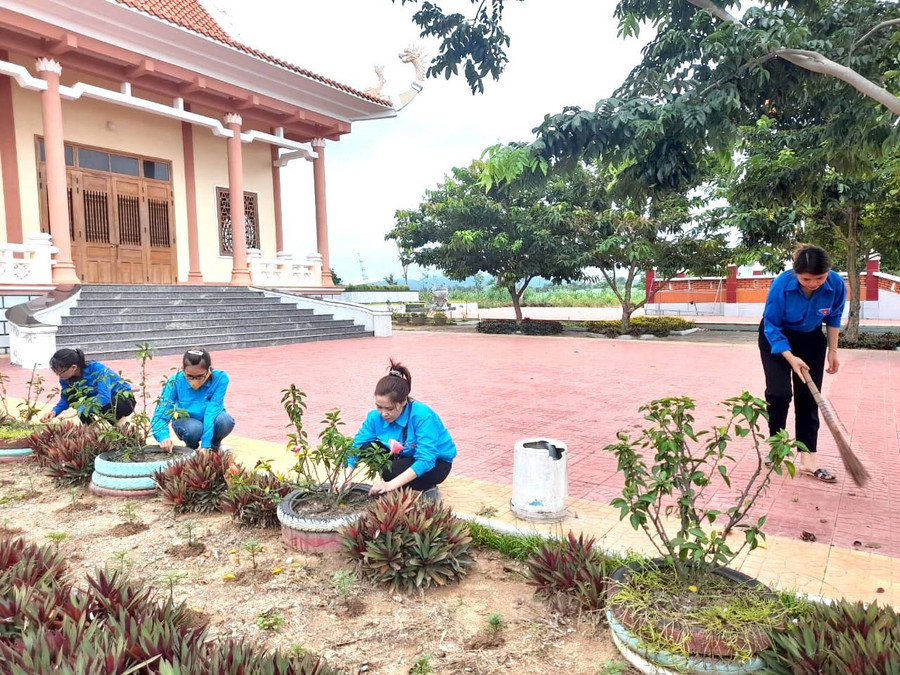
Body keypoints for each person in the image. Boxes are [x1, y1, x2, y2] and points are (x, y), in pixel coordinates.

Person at [759, 245, 845, 483]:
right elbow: (771, 325)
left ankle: (808, 458)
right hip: (776, 338)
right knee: (779, 394)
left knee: (809, 397)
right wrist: (790, 357)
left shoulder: (836, 283)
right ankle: (776, 446)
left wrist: (833, 352)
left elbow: (833, 316)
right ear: (796, 273)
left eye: (820, 278)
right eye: (806, 278)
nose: (814, 283)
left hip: (811, 340)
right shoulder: (781, 285)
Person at [352, 360, 456, 498]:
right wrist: (345, 479)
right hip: (404, 456)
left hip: (437, 464)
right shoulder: (374, 417)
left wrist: (389, 485)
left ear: (403, 402)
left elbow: (426, 459)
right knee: (366, 447)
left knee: (390, 471)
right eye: (379, 407)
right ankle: (403, 481)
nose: (383, 413)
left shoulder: (422, 415)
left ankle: (427, 487)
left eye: (389, 408)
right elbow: (356, 445)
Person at [151, 348, 234, 451]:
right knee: (193, 429)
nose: (194, 381)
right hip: (187, 420)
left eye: (199, 376)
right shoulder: (175, 381)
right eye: (189, 376)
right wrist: (163, 437)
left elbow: (212, 410)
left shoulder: (220, 378)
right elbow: (161, 411)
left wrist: (206, 444)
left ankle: (214, 446)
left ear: (208, 370)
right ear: (183, 369)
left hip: (211, 416)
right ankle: (191, 448)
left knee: (225, 421)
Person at [42, 348, 134, 424]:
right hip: (97, 401)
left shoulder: (97, 369)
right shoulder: (65, 379)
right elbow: (67, 398)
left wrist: (82, 409)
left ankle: (121, 427)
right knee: (79, 404)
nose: (59, 375)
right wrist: (54, 412)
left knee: (96, 406)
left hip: (123, 400)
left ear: (73, 368)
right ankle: (92, 434)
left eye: (60, 372)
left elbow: (104, 397)